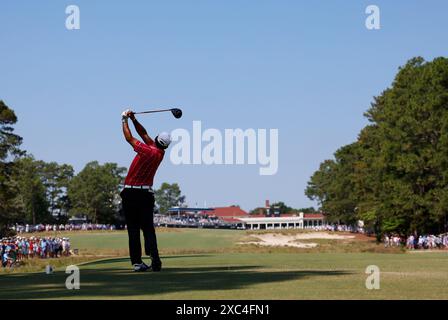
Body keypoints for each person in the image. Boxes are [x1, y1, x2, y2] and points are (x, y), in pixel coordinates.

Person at [120, 108, 171, 272]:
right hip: (146, 194)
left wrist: (124, 120)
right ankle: (155, 259)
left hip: (131, 193)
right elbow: (143, 134)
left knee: (133, 229)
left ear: (156, 139)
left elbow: (129, 138)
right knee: (148, 229)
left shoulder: (147, 150)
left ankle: (137, 263)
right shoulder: (160, 153)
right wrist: (134, 120)